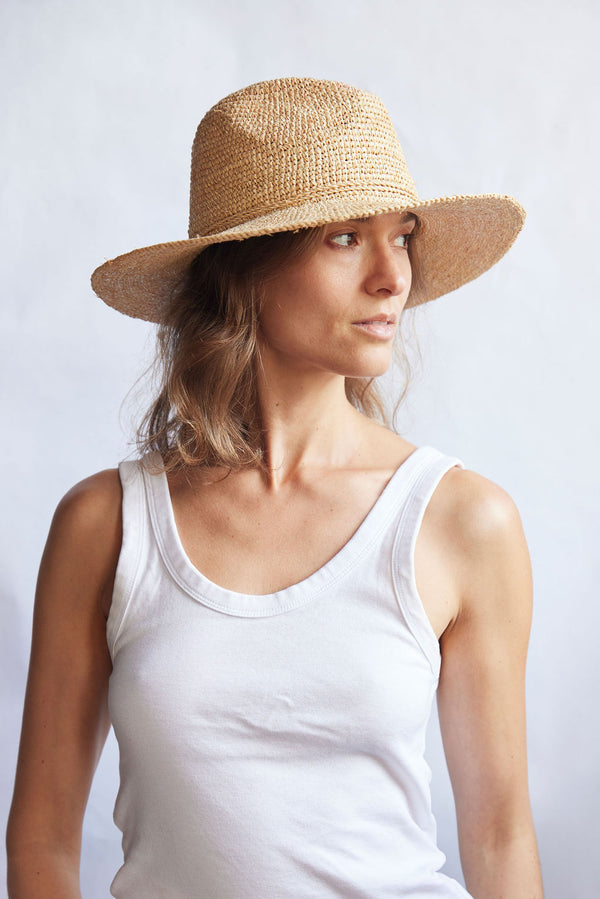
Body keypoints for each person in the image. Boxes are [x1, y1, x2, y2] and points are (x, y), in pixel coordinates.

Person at [6, 77, 544, 898]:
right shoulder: (106, 525)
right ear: (244, 269)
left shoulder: (462, 521)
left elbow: (501, 838)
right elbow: (41, 843)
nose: (392, 276)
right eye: (343, 238)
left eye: (400, 235)